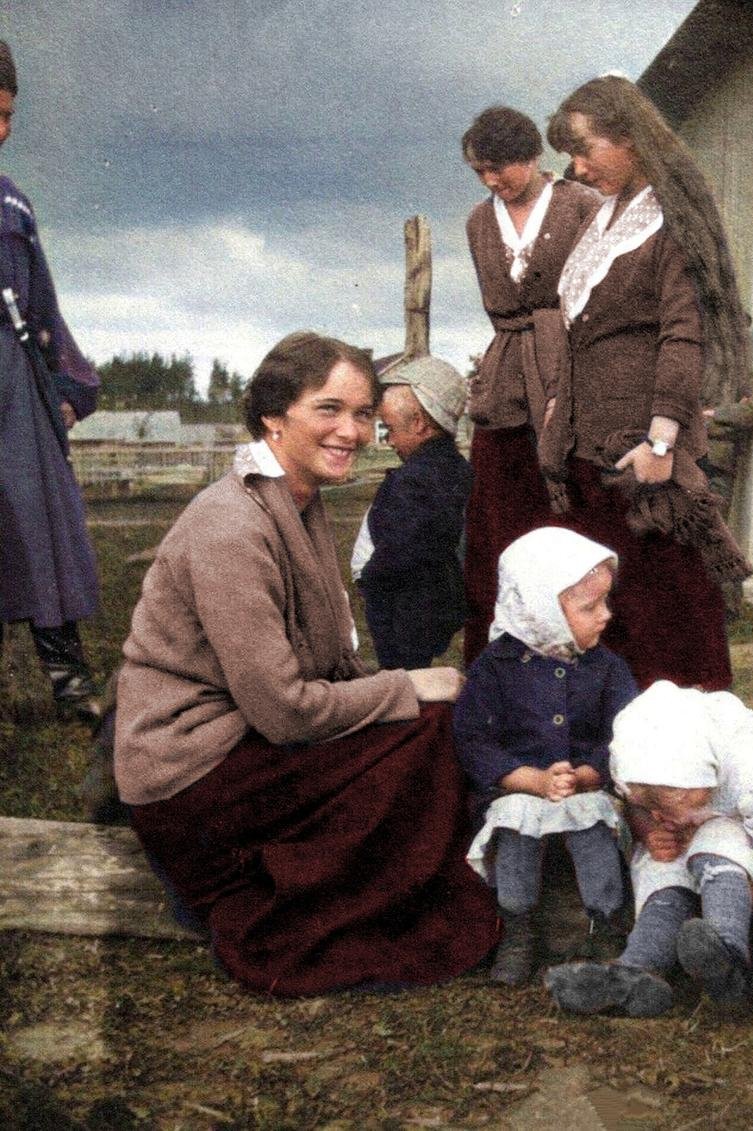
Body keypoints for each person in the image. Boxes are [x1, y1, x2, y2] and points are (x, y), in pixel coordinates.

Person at [113, 332, 498, 996]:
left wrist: (413, 693)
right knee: (422, 733)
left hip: (245, 742)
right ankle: (263, 894)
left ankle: (361, 878)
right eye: (329, 409)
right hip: (193, 777)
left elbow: (328, 661)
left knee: (433, 722)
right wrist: (405, 685)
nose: (352, 430)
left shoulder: (296, 501)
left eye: (362, 413)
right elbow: (287, 710)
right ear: (272, 416)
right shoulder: (231, 526)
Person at [543, 75, 753, 690]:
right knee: (610, 613)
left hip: (642, 457)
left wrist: (663, 442)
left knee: (670, 615)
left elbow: (681, 336)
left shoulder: (667, 222)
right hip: (589, 454)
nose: (577, 167)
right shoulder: (606, 220)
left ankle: (693, 752)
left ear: (631, 137)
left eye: (585, 149)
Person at [546, 680, 753, 1017]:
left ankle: (726, 958)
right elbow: (636, 805)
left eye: (670, 810)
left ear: (701, 786)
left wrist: (732, 901)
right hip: (706, 822)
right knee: (663, 867)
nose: (660, 816)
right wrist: (652, 831)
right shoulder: (640, 751)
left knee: (717, 849)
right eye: (655, 809)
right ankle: (635, 972)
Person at [454, 526, 638, 985]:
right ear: (541, 609)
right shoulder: (495, 667)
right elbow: (473, 739)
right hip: (519, 786)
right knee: (516, 823)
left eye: (605, 603)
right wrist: (530, 780)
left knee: (594, 821)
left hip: (584, 784)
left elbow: (627, 730)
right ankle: (518, 928)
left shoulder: (607, 667)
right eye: (589, 606)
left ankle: (605, 920)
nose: (605, 616)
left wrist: (591, 772)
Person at [460, 105, 601, 663]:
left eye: (500, 168)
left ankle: (579, 650)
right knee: (498, 518)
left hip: (571, 370)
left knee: (569, 515)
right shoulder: (477, 223)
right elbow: (498, 306)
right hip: (507, 381)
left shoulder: (580, 206)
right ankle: (498, 660)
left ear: (532, 157)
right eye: (481, 173)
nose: (492, 181)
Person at [0, 40, 102, 720]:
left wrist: (64, 387)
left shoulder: (14, 205)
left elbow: (43, 307)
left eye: (6, 115)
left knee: (39, 526)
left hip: (12, 387)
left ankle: (69, 687)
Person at [351, 354, 471, 670]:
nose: (388, 440)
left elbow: (403, 551)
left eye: (389, 429)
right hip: (420, 608)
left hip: (403, 612)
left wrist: (370, 578)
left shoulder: (418, 479)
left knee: (404, 682)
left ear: (419, 423)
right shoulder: (453, 469)